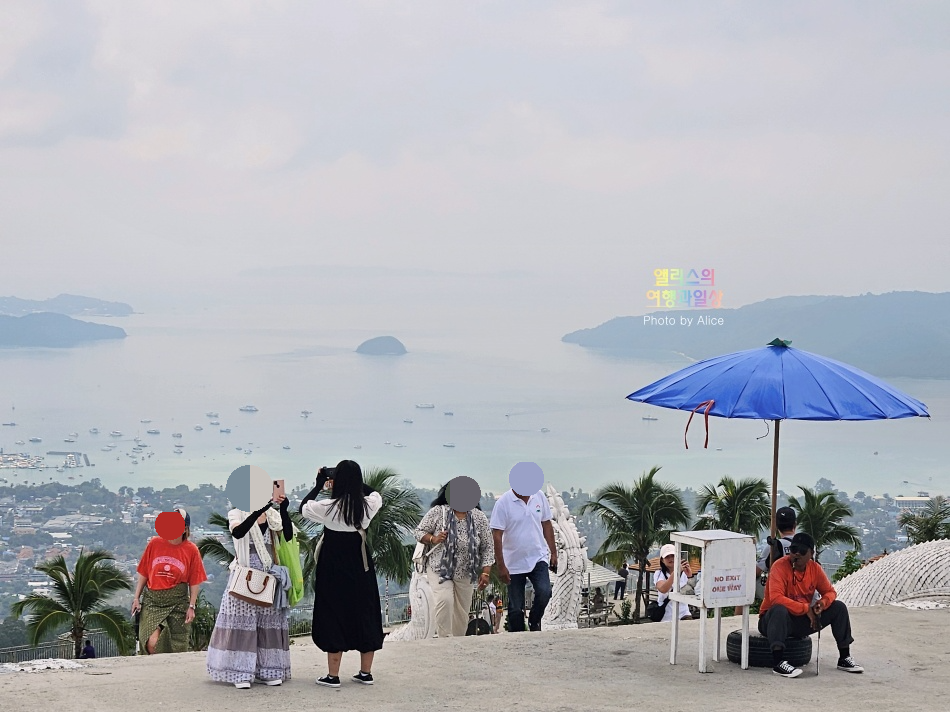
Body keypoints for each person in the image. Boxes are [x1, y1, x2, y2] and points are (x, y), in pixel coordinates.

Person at [300, 461, 384, 687]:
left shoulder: (328, 507)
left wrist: (320, 483)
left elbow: (304, 507)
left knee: (332, 614)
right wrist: (354, 482)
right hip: (361, 565)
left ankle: (333, 675)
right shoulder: (368, 506)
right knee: (365, 613)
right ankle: (365, 672)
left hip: (332, 568)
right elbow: (376, 494)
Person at [207, 492, 293, 688]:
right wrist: (256, 513)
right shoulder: (236, 513)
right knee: (241, 622)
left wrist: (284, 509)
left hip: (268, 575)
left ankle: (268, 670)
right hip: (244, 574)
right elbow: (238, 532)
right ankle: (240, 673)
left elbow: (287, 536)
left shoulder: (272, 515)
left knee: (267, 622)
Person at [759, 532, 863, 678]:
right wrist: (805, 608)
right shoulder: (779, 567)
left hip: (800, 619)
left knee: (839, 607)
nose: (797, 554)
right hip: (773, 621)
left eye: (802, 551)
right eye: (794, 550)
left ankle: (844, 657)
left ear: (811, 553)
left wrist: (822, 603)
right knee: (779, 609)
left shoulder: (814, 569)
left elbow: (830, 592)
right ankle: (778, 663)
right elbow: (776, 598)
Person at [414, 482, 494, 638]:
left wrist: (486, 573)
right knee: (445, 600)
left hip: (465, 571)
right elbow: (418, 532)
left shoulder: (479, 517)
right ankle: (445, 638)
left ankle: (458, 641)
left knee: (462, 611)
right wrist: (433, 538)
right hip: (439, 568)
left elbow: (487, 547)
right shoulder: (438, 512)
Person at [132, 508, 207, 655]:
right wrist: (136, 598)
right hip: (153, 601)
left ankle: (167, 673)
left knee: (175, 646)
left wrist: (192, 606)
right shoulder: (155, 543)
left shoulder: (191, 550)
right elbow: (144, 572)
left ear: (185, 528)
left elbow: (194, 580)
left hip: (177, 602)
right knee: (151, 642)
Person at [490, 485, 558, 632]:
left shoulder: (539, 496)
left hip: (538, 556)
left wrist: (553, 552)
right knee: (515, 608)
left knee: (545, 591)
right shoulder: (503, 503)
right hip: (513, 562)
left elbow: (546, 524)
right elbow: (497, 536)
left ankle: (535, 620)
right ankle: (518, 638)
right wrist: (501, 565)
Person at [653, 544, 692, 623]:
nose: (671, 559)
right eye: (667, 557)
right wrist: (676, 572)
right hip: (667, 616)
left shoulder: (683, 572)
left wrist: (689, 575)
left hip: (684, 613)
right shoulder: (659, 574)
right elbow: (663, 589)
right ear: (662, 560)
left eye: (673, 556)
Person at [757, 506, 798, 577]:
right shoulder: (809, 546)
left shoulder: (773, 546)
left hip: (780, 587)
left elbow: (757, 571)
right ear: (795, 524)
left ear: (776, 526)